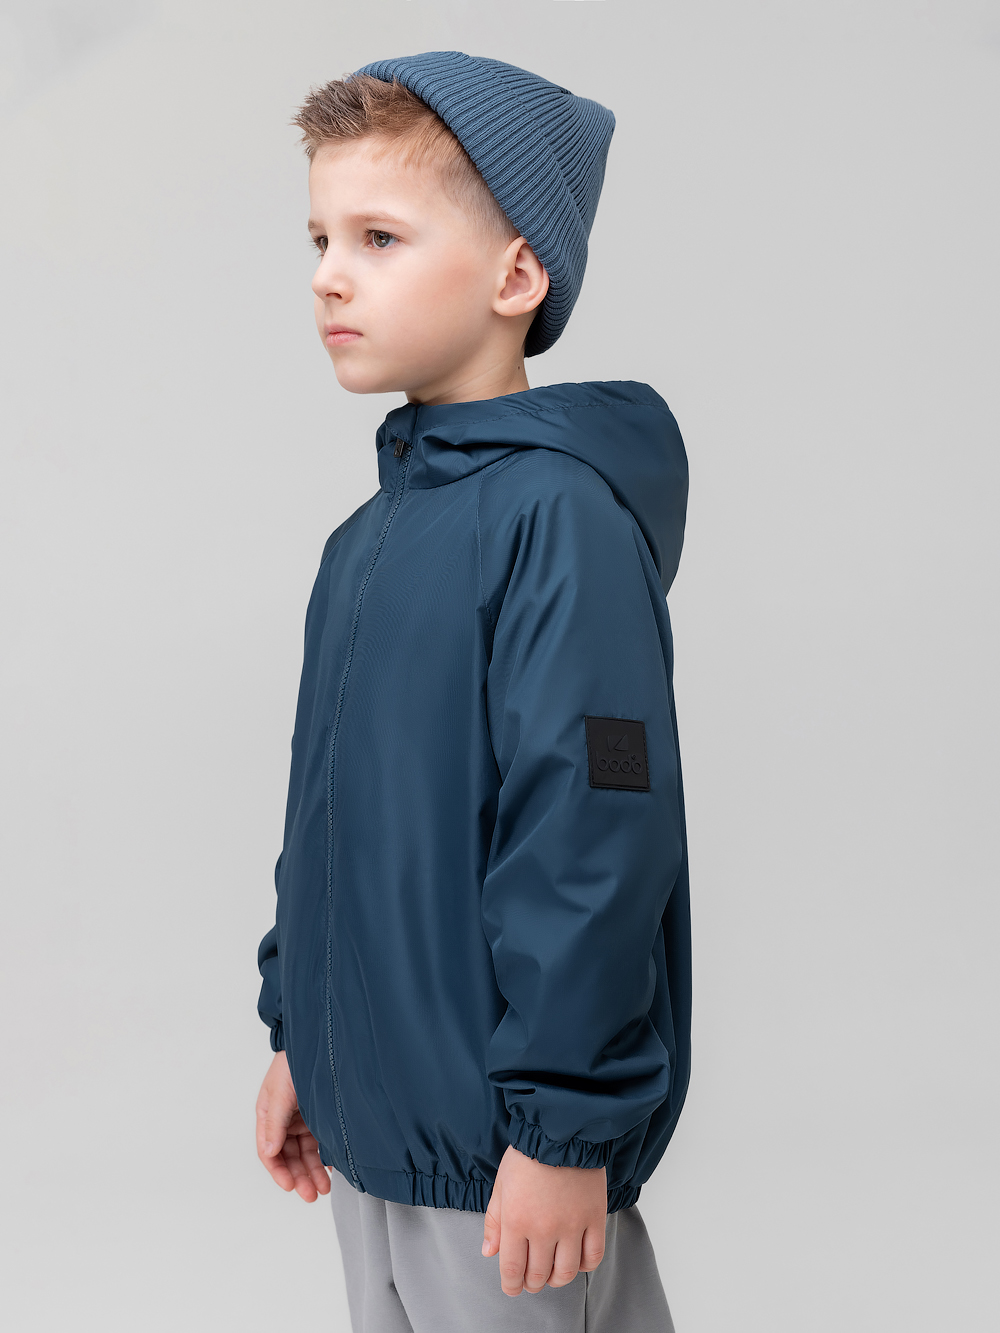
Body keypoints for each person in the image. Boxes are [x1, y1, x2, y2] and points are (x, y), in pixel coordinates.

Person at [254, 51, 691, 1333]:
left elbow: (594, 830)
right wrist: (299, 1036)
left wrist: (565, 1129)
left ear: (516, 276)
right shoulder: (364, 544)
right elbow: (327, 822)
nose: (329, 274)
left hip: (505, 1160)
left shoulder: (559, 521)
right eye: (322, 238)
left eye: (380, 237)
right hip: (376, 1138)